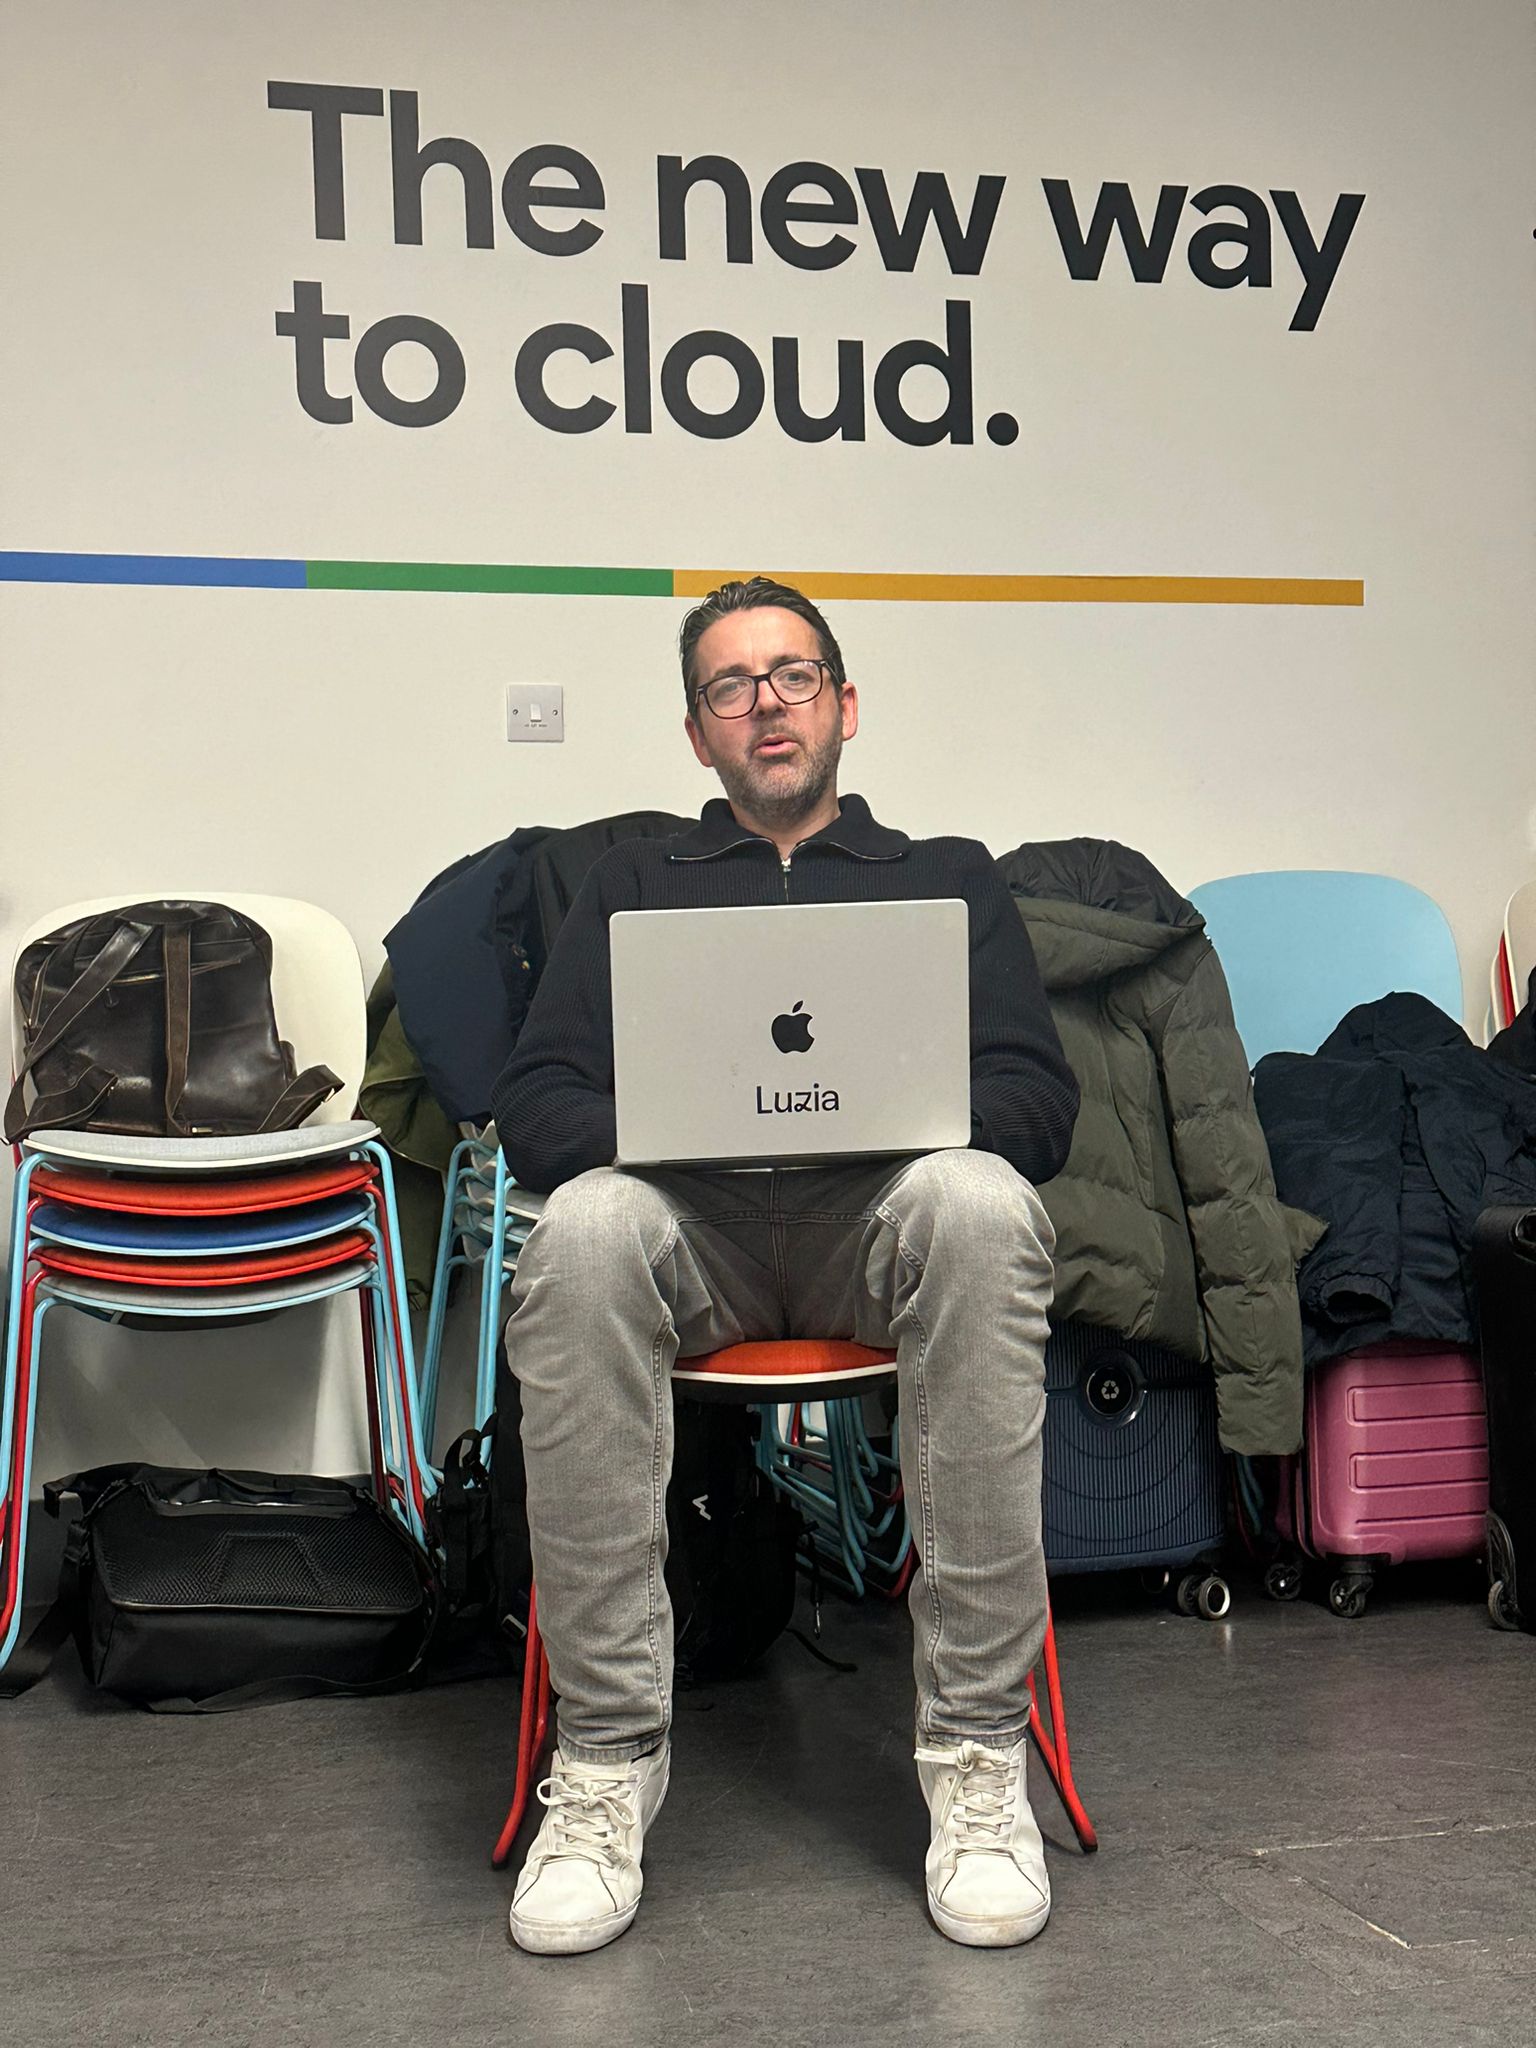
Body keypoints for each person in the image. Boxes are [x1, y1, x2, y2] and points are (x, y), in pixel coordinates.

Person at [491, 577, 1079, 1955]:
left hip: (874, 1230)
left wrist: (897, 1109)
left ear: (846, 705)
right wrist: (691, 1122)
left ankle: (980, 1757)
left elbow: (1040, 1109)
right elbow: (538, 1108)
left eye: (794, 674)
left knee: (982, 1206)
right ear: (697, 736)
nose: (766, 700)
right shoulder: (632, 887)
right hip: (694, 1238)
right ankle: (606, 1762)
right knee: (578, 1230)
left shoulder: (943, 878)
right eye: (730, 684)